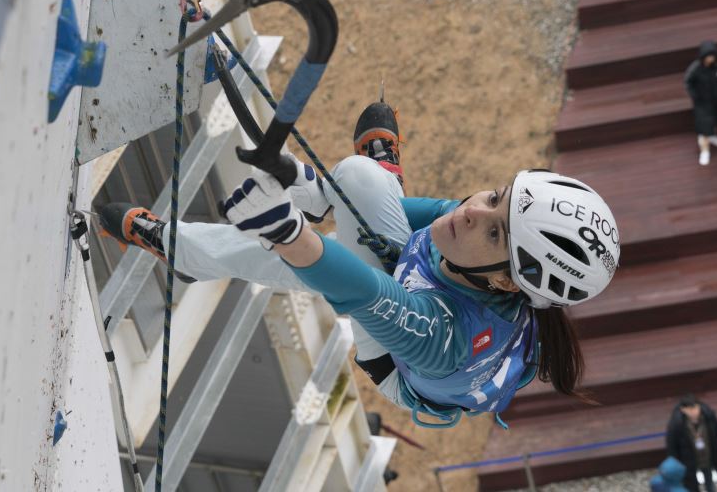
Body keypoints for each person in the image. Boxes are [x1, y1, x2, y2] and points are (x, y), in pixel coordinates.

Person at [99, 101, 621, 428]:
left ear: (507, 281)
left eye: (495, 231)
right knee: (361, 182)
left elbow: (363, 292)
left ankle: (183, 248)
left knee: (340, 231)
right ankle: (338, 190)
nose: (473, 212)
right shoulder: (470, 236)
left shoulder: (448, 343)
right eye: (496, 196)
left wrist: (289, 234)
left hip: (396, 359)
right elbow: (423, 218)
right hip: (431, 290)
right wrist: (309, 189)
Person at [666, 394, 717, 492]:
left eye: (695, 408)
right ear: (683, 410)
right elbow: (672, 445)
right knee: (692, 484)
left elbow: (716, 434)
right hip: (689, 461)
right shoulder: (677, 424)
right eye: (689, 409)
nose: (693, 412)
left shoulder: (709, 418)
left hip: (707, 457)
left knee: (710, 481)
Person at [685, 41, 717, 166]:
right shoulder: (695, 68)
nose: (711, 58)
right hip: (702, 103)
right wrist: (695, 96)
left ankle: (712, 136)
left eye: (713, 56)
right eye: (708, 56)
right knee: (703, 128)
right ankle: (704, 151)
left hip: (716, 101)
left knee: (715, 122)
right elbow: (688, 82)